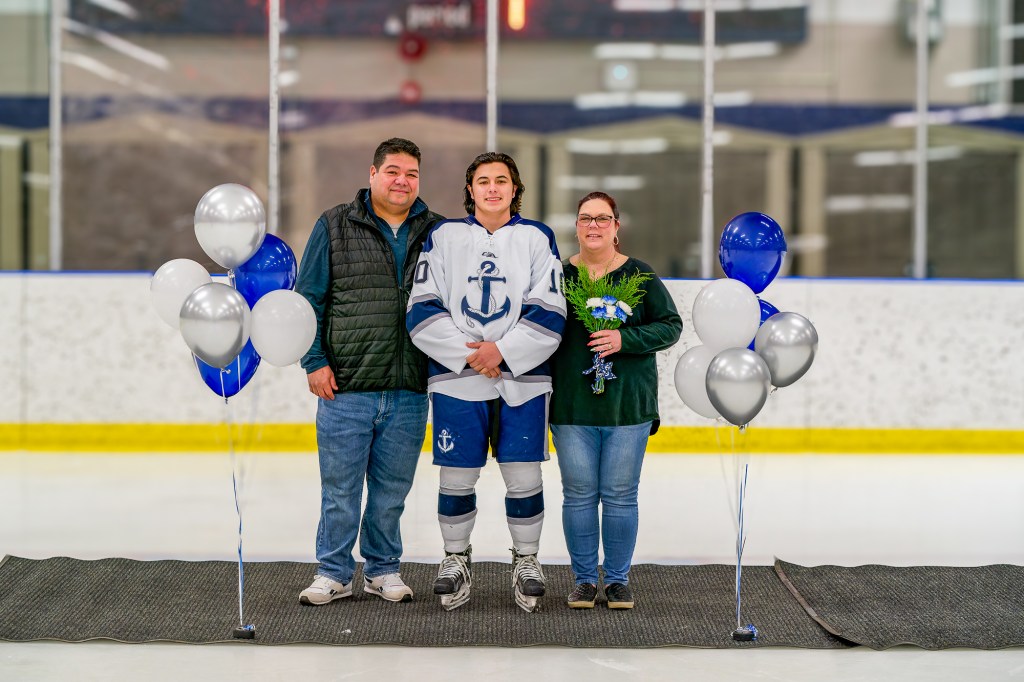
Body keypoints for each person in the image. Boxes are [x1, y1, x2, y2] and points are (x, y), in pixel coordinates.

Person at [406, 151, 566, 613]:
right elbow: (421, 306)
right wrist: (476, 355)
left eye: (501, 180)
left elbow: (551, 308)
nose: (492, 188)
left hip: (524, 381)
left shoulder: (537, 237)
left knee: (524, 475)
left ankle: (527, 559)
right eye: (483, 181)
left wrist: (504, 352)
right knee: (457, 476)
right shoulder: (444, 236)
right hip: (459, 380)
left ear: (515, 189)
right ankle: (456, 557)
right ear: (470, 189)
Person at [294, 137, 443, 606]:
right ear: (373, 173)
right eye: (393, 171)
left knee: (391, 492)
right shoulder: (334, 224)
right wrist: (314, 361)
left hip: (409, 387)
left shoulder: (438, 231)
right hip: (346, 387)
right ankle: (333, 573)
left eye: (412, 174)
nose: (403, 181)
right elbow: (308, 299)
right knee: (340, 491)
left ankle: (382, 570)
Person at [549, 191, 682, 610]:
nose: (593, 225)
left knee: (621, 494)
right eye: (585, 218)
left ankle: (618, 581)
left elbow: (671, 326)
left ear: (616, 227)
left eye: (602, 219)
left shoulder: (639, 276)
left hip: (627, 406)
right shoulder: (558, 276)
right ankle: (585, 580)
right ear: (576, 226)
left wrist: (626, 339)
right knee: (579, 494)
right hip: (572, 407)